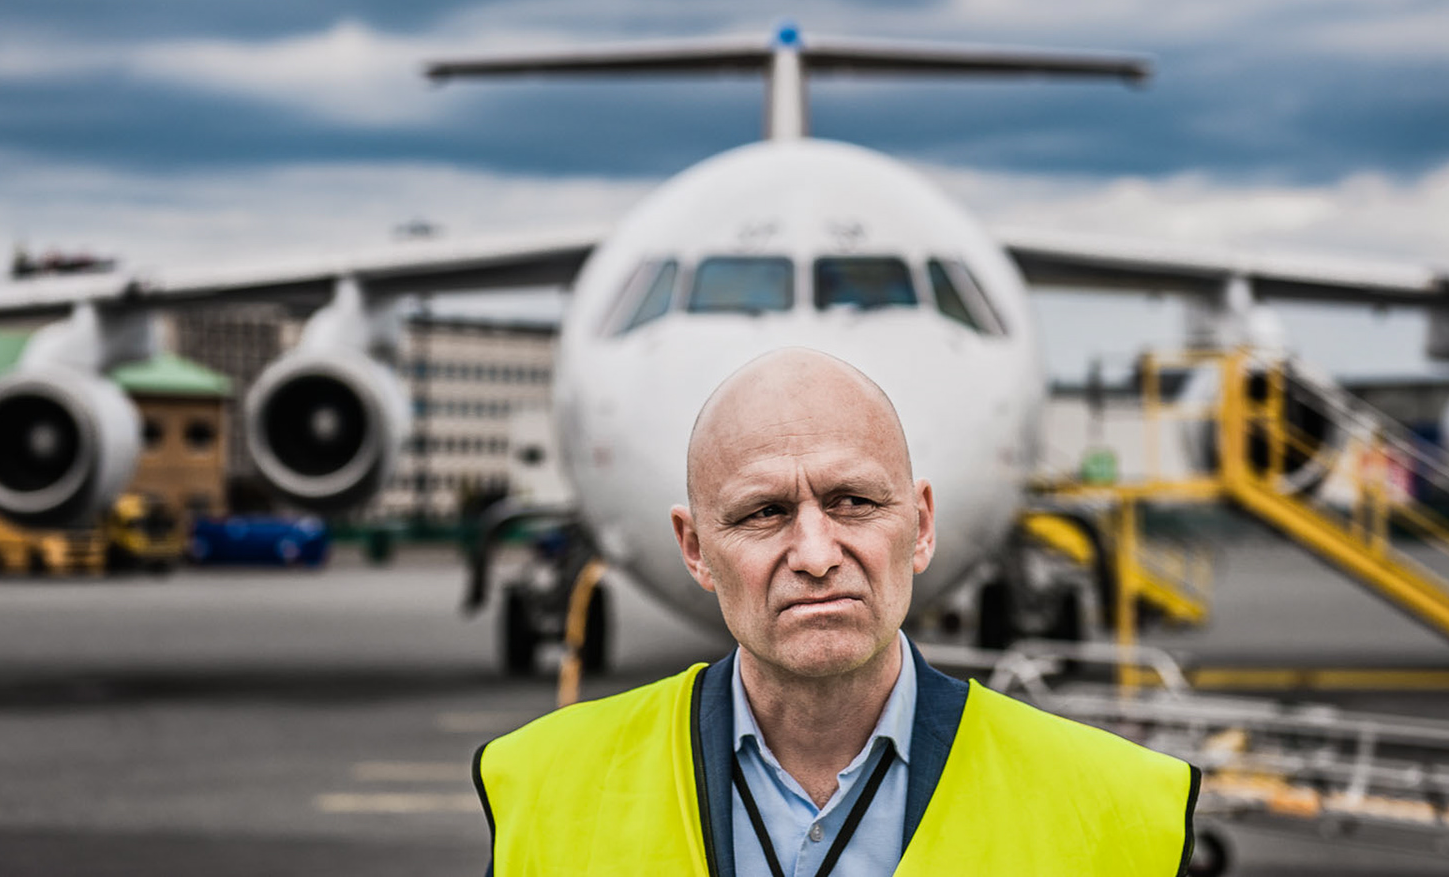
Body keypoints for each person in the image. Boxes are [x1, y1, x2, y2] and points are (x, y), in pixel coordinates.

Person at [474, 346, 1199, 875]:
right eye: (764, 512)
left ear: (920, 525)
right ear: (695, 549)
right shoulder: (544, 790)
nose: (816, 554)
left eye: (853, 502)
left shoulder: (1119, 808)